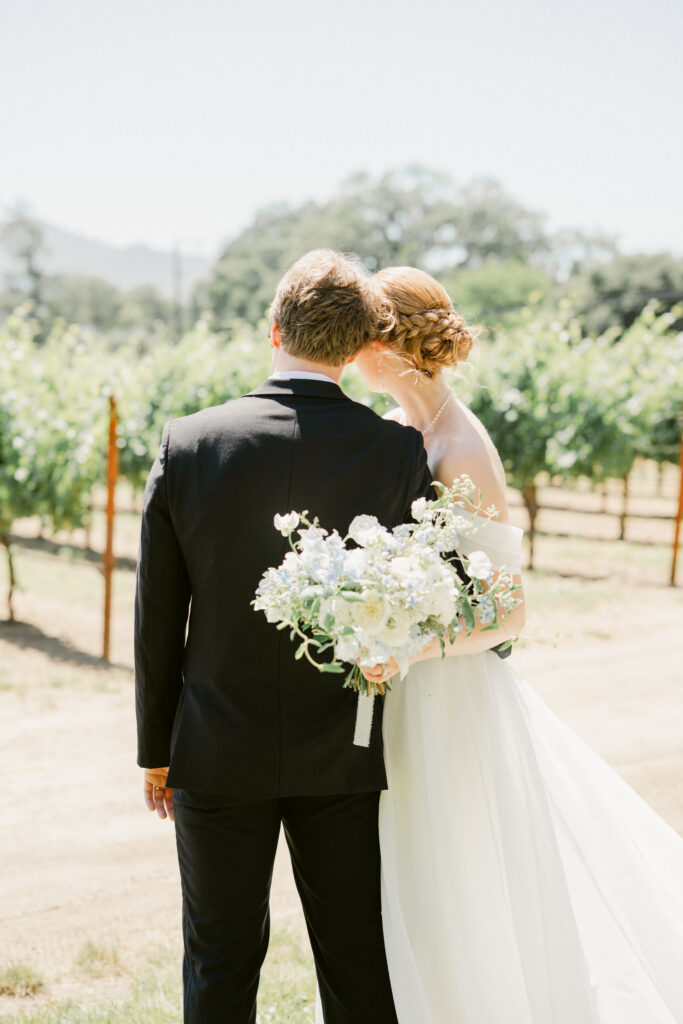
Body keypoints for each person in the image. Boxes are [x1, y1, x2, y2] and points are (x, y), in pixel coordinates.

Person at [352, 266, 683, 1023]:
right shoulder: (400, 435)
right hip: (400, 694)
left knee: (459, 875)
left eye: (359, 332)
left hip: (450, 701)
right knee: (404, 878)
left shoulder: (461, 449)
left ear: (387, 342)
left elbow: (508, 613)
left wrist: (409, 649)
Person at [134, 250, 434, 1023]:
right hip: (346, 745)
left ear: (273, 330)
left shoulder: (190, 443)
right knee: (356, 956)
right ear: (353, 347)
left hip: (213, 745)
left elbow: (158, 616)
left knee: (218, 956)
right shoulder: (397, 451)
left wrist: (155, 752)